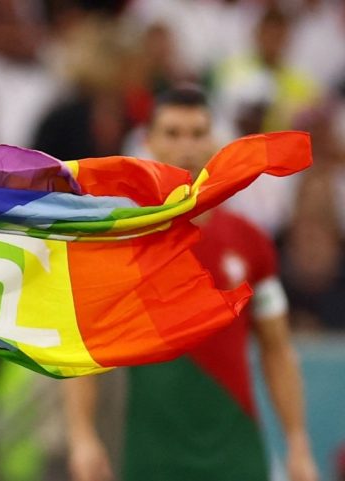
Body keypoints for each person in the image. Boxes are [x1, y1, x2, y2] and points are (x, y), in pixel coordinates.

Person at [62, 87, 318, 481]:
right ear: (148, 142)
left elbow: (277, 349)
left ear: (214, 142)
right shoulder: (121, 243)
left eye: (198, 133)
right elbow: (88, 346)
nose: (187, 146)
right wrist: (82, 437)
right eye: (173, 132)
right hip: (149, 458)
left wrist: (298, 443)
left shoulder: (251, 243)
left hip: (239, 458)